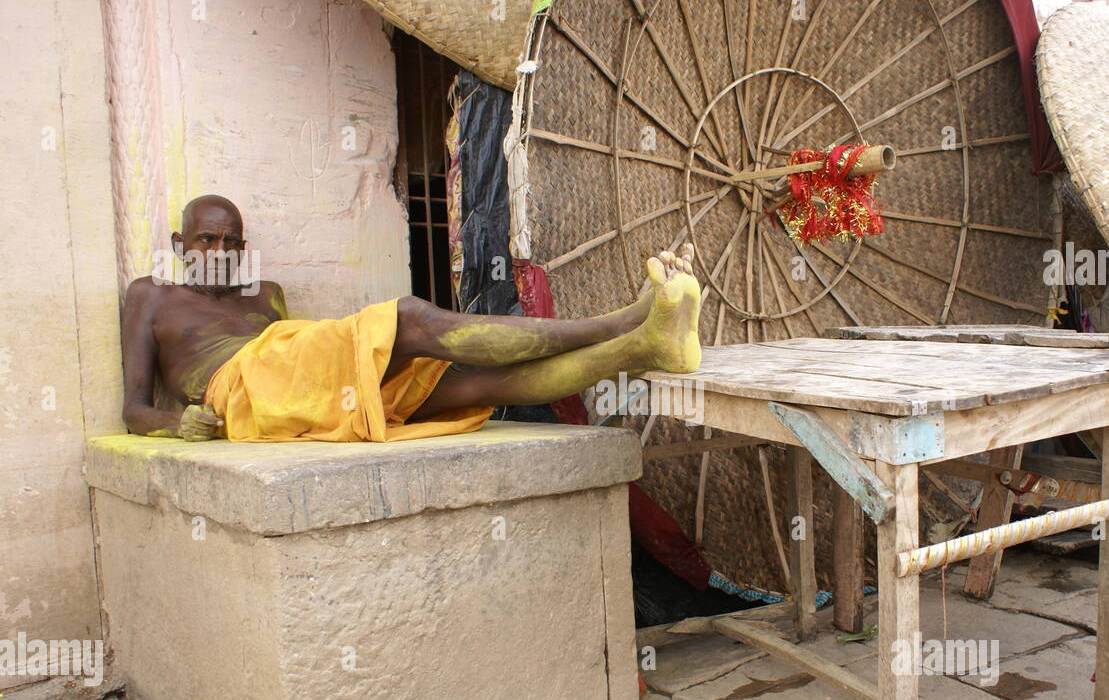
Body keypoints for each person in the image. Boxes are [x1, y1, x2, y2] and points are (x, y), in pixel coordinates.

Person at [121, 194, 700, 442]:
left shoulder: (266, 293)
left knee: (469, 385)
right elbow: (134, 409)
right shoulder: (151, 294)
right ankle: (623, 320)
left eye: (232, 241)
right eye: (206, 240)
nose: (220, 253)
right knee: (409, 317)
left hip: (297, 384)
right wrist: (179, 425)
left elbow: (303, 377)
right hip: (239, 387)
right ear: (179, 242)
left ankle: (645, 349)